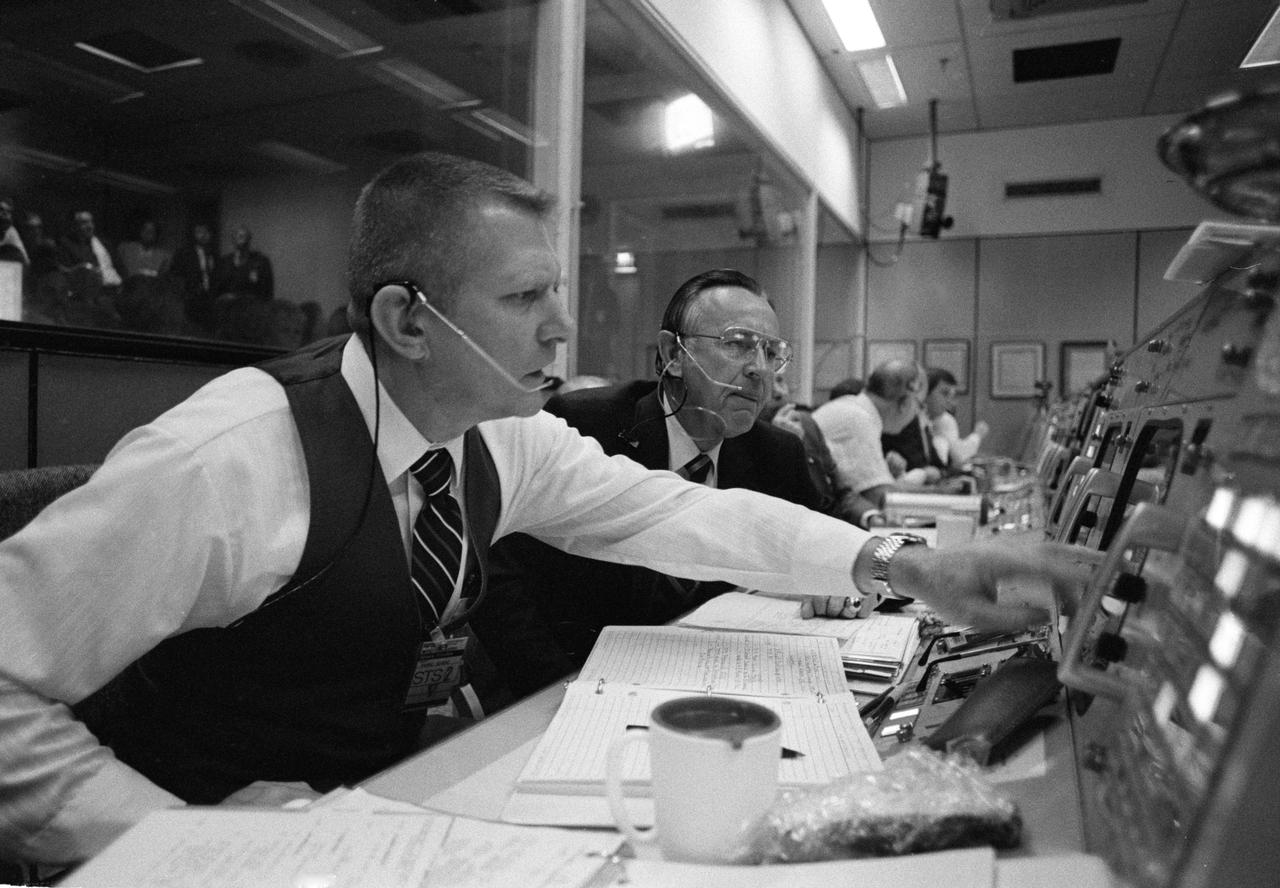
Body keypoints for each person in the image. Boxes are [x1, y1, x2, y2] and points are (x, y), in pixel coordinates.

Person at [0, 152, 1087, 866]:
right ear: (407, 320)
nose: (562, 332)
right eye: (525, 300)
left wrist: (895, 564)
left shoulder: (494, 440)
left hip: (376, 819)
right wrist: (176, 844)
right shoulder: (229, 455)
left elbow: (673, 514)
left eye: (554, 294)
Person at [480, 269, 832, 682]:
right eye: (738, 344)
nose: (759, 370)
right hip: (580, 678)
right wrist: (557, 686)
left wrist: (840, 586)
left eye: (772, 353)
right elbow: (501, 574)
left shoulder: (777, 453)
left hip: (721, 681)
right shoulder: (585, 425)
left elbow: (825, 550)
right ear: (672, 355)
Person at [812, 359, 940, 510]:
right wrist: (944, 493)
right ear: (905, 401)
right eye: (919, 405)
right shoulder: (858, 419)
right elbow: (879, 498)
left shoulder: (854, 409)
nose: (917, 414)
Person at [760, 370, 878, 526]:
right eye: (767, 383)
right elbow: (776, 509)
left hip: (835, 530)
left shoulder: (807, 423)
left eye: (780, 381)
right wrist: (784, 446)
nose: (779, 392)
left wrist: (870, 516)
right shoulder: (744, 436)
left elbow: (840, 490)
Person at [925, 367, 988, 470]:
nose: (950, 401)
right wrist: (978, 435)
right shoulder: (908, 419)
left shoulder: (945, 419)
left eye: (952, 396)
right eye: (944, 393)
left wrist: (977, 436)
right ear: (924, 392)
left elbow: (958, 456)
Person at [169, 222, 218, 333]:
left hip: (210, 301)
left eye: (206, 232)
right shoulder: (184, 253)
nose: (203, 235)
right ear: (194, 234)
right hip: (189, 301)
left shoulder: (214, 254)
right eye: (199, 232)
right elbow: (175, 276)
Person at [214, 224, 274, 300]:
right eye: (239, 236)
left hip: (253, 308)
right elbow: (217, 290)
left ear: (249, 239)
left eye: (245, 236)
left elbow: (267, 293)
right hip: (227, 308)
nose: (242, 239)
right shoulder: (224, 262)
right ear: (233, 240)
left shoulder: (261, 262)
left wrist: (237, 297)